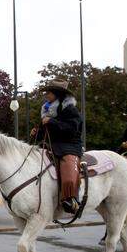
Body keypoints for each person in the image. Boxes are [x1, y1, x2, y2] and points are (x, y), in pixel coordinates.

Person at [31, 79, 83, 214]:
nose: (46, 94)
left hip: (69, 145)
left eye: (49, 92)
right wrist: (37, 132)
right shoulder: (47, 110)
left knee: (68, 165)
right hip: (50, 145)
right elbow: (46, 131)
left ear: (57, 94)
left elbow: (73, 129)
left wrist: (52, 122)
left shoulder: (70, 109)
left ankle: (70, 199)